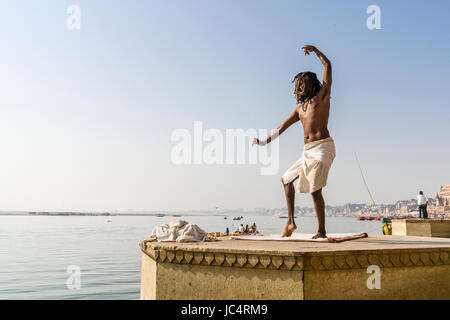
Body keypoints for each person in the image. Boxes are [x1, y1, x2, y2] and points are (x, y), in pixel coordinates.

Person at [253, 45, 336, 239]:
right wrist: (264, 142)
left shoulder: (322, 96)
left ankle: (321, 231)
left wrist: (315, 50)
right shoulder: (300, 109)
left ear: (313, 84)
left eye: (305, 83)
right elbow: (281, 127)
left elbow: (328, 66)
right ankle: (290, 221)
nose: (302, 86)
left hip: (323, 148)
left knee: (315, 190)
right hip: (307, 151)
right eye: (300, 84)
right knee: (286, 179)